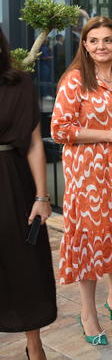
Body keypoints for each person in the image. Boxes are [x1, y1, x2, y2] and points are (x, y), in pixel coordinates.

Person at [51, 17, 112, 346]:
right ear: (84, 45)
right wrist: (110, 135)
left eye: (107, 40)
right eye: (93, 40)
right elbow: (59, 130)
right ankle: (87, 312)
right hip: (88, 175)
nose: (101, 46)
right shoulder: (74, 80)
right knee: (91, 239)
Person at [0, 28, 57, 360]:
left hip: (13, 181)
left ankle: (34, 345)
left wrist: (42, 196)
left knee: (26, 264)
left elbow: (35, 142)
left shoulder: (19, 82)